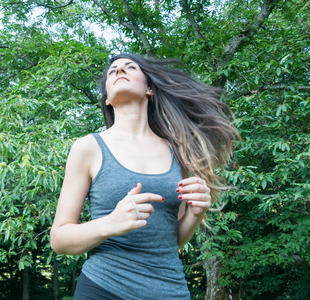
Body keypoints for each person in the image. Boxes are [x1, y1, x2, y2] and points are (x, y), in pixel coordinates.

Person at [50, 53, 238, 299]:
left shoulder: (176, 151)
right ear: (107, 99)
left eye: (129, 67)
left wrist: (196, 212)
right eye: (112, 71)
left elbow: (172, 241)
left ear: (149, 88)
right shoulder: (88, 148)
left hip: (169, 290)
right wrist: (110, 223)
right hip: (103, 288)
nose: (119, 71)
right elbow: (60, 239)